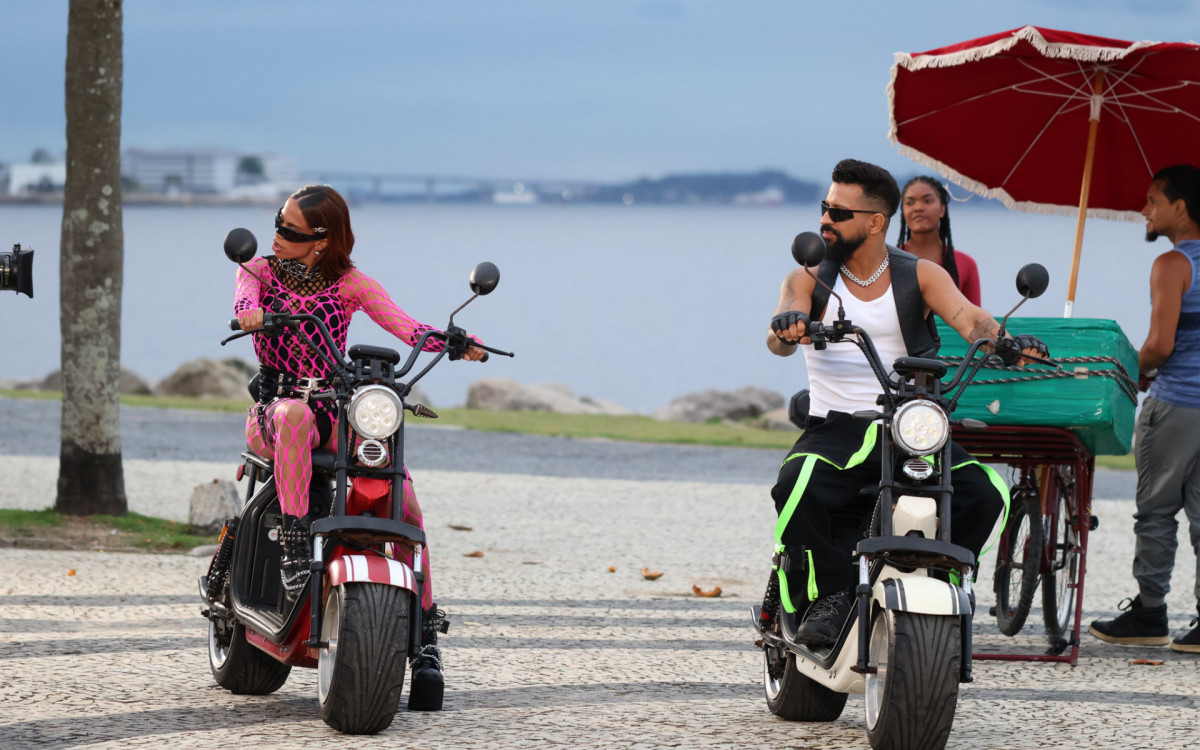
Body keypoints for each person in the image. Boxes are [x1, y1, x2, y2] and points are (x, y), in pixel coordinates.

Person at [765, 159, 1048, 648]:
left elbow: (971, 320)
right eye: (824, 208)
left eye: (837, 211)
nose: (824, 220)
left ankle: (943, 581)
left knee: (986, 492)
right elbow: (779, 335)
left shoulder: (920, 274)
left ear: (875, 223)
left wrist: (1009, 343)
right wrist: (789, 325)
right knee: (797, 484)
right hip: (837, 425)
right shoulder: (810, 276)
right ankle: (827, 597)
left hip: (909, 424)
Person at [232, 184, 485, 706]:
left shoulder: (352, 284)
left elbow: (406, 325)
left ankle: (426, 635)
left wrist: (454, 342)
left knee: (404, 502)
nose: (276, 236)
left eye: (289, 230)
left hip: (334, 411)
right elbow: (242, 303)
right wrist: (250, 315)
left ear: (322, 241)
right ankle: (298, 542)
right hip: (276, 412)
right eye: (277, 223)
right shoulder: (256, 271)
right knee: (296, 415)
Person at [1089, 164, 1200, 654]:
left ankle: (1151, 613)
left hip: (1175, 405)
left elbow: (1158, 345)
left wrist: (1128, 371)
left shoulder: (1173, 265)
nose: (1144, 210)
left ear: (1179, 207)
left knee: (1156, 513)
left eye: (1153, 200)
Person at [896, 175, 982, 306]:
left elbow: (976, 321)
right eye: (910, 203)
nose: (918, 207)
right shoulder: (888, 261)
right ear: (903, 211)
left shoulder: (966, 264)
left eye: (927, 201)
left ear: (942, 209)